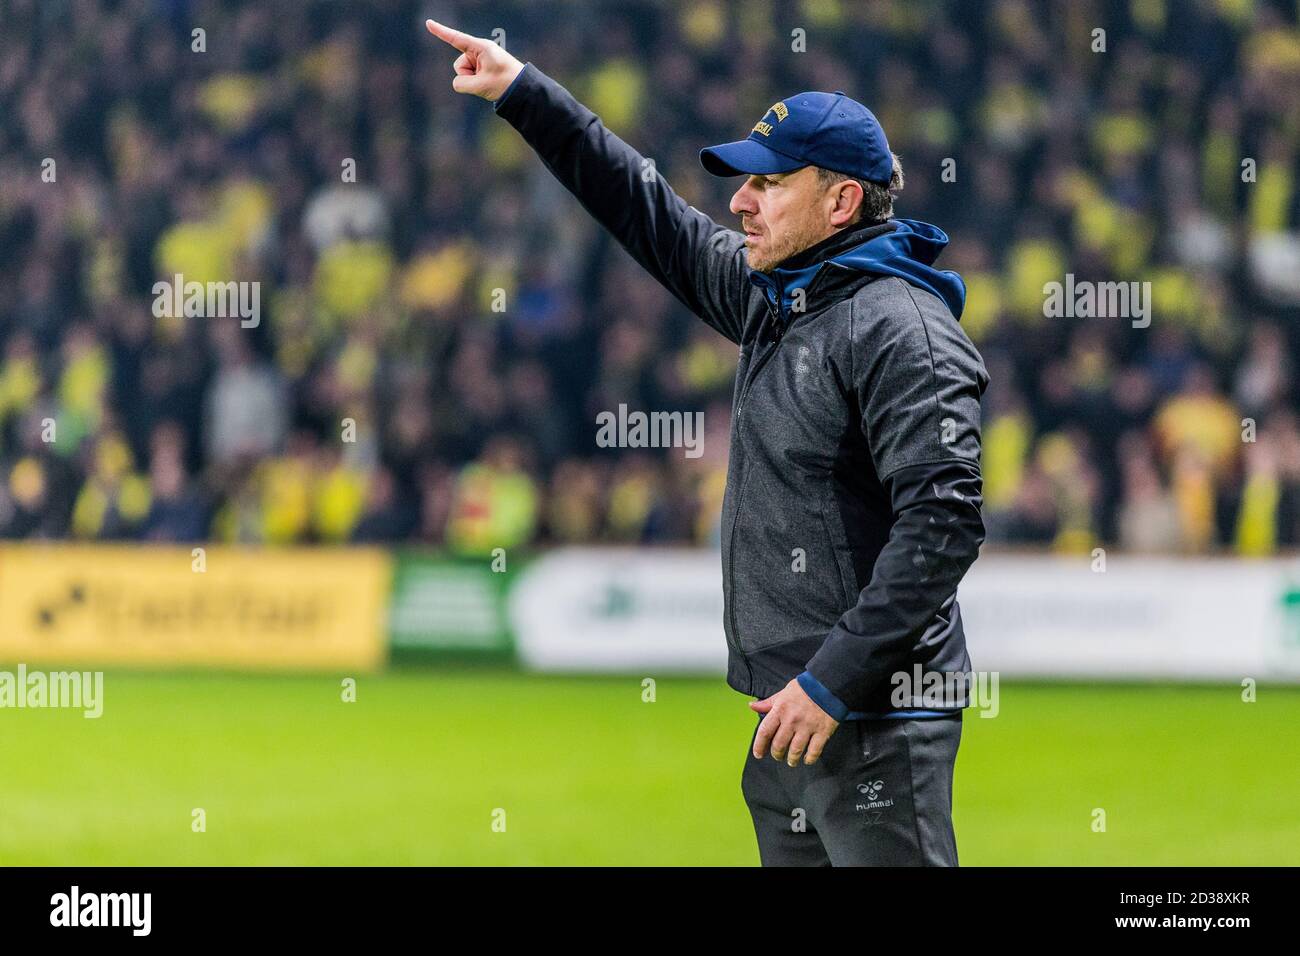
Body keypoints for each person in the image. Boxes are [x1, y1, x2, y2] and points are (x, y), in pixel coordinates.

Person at [425, 18, 988, 866]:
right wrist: (524, 94)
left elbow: (943, 524)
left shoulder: (903, 328)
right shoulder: (783, 298)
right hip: (789, 715)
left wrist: (832, 682)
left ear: (841, 203)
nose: (739, 202)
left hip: (871, 715)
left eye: (768, 184)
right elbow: (648, 211)